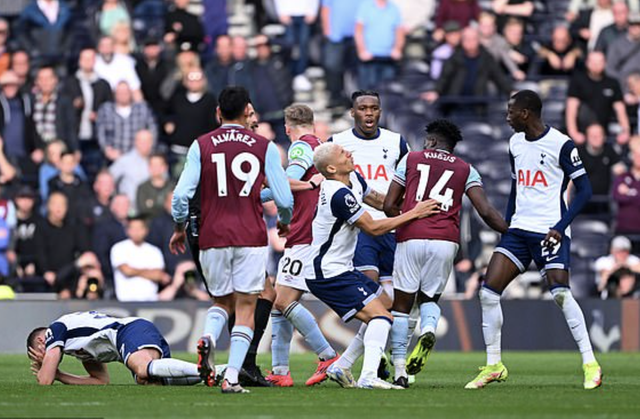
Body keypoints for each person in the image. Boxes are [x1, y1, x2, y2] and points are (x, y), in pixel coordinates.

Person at [464, 90, 602, 390]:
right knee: (488, 293)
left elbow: (585, 190)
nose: (507, 116)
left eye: (511, 111)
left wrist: (560, 226)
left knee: (560, 293)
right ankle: (493, 365)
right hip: (519, 230)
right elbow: (517, 187)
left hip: (549, 231)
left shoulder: (561, 144)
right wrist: (509, 224)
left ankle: (590, 363)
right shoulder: (514, 143)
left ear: (526, 113)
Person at [169, 86, 293, 394]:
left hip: (212, 235)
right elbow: (284, 198)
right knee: (247, 307)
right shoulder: (263, 145)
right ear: (246, 112)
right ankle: (232, 377)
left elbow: (181, 195)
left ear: (218, 113)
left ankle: (208, 338)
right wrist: (284, 221)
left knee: (221, 301)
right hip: (250, 236)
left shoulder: (201, 145)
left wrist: (178, 227)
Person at [384, 119, 508, 388]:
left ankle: (400, 372)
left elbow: (388, 204)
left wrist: (405, 218)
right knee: (430, 297)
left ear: (430, 141)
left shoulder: (411, 159)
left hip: (411, 236)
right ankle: (428, 329)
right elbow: (485, 211)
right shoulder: (467, 169)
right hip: (445, 241)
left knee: (402, 306)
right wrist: (510, 232)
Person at [305, 142, 439, 390]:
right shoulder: (337, 193)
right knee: (380, 316)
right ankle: (368, 376)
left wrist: (409, 207)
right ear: (332, 168)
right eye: (343, 153)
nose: (350, 153)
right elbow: (373, 227)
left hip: (341, 268)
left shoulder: (352, 178)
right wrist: (413, 214)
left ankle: (342, 366)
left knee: (385, 306)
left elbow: (378, 201)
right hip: (328, 273)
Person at [261, 104, 339, 387]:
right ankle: (280, 371)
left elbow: (285, 181)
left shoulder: (299, 147)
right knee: (279, 304)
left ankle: (327, 355)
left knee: (282, 301)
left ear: (287, 127)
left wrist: (251, 196)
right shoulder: (323, 145)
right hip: (311, 230)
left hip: (305, 233)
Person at [330, 91, 408, 299]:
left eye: (374, 108)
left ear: (380, 112)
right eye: (363, 109)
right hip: (358, 224)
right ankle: (374, 326)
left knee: (395, 291)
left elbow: (410, 178)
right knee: (369, 281)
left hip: (390, 224)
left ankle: (383, 329)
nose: (369, 114)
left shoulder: (396, 142)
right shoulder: (337, 142)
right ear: (352, 112)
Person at [26, 311, 207, 386]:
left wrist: (47, 368)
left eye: (35, 354)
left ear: (42, 341)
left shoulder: (54, 329)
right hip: (134, 332)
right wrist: (59, 375)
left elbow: (44, 381)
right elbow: (100, 380)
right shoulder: (78, 346)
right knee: (151, 381)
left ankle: (202, 368)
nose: (37, 359)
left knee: (143, 369)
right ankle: (222, 372)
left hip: (128, 331)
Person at [565, 51, 629, 146]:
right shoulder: (577, 81)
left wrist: (625, 132)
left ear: (605, 63)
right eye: (593, 62)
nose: (596, 65)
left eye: (599, 62)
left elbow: (620, 110)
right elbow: (571, 108)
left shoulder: (612, 83)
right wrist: (574, 133)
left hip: (604, 131)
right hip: (581, 131)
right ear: (587, 63)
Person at [111, 216, 169, 302]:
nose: (136, 232)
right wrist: (149, 272)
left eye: (140, 228)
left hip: (151, 301)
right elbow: (127, 271)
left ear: (146, 231)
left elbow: (158, 275)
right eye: (133, 228)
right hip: (125, 301)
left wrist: (134, 271)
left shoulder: (154, 251)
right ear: (127, 231)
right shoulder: (119, 248)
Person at [354, 0, 405, 90]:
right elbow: (358, 30)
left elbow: (399, 31)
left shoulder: (393, 8)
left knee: (387, 92)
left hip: (388, 58)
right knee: (367, 93)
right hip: (369, 57)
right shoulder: (365, 6)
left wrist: (397, 49)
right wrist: (362, 50)